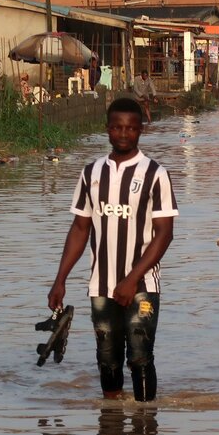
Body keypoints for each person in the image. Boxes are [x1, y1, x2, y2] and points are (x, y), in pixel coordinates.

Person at [48, 98, 178, 402]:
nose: (124, 134)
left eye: (131, 128)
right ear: (107, 129)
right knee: (106, 358)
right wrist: (60, 279)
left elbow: (165, 234)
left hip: (142, 285)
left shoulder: (155, 174)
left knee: (139, 355)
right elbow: (80, 229)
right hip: (102, 286)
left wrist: (132, 279)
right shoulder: (91, 173)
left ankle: (146, 430)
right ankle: (111, 427)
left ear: (140, 130)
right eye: (117, 127)